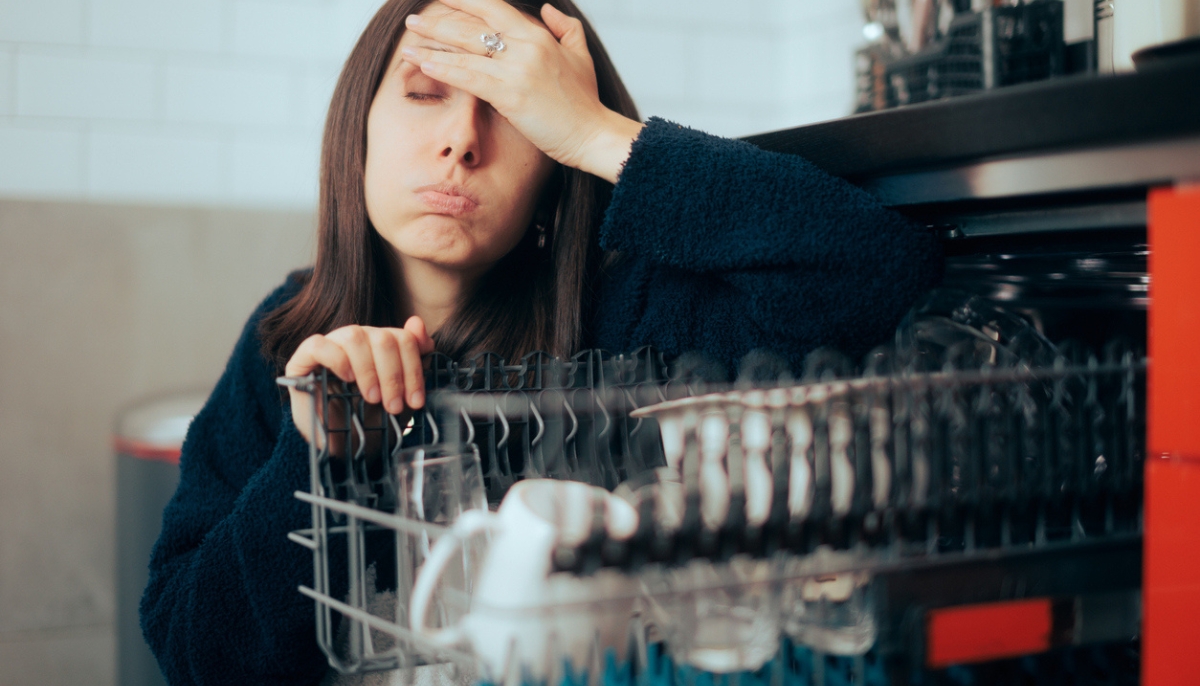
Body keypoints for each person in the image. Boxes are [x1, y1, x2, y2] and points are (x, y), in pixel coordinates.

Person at [140, 0, 942, 683]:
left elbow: (880, 270)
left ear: (553, 161)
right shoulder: (287, 341)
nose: (462, 141)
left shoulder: (639, 313)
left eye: (513, 111)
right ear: (359, 128)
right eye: (425, 94)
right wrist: (316, 459)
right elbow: (193, 653)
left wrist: (597, 134)